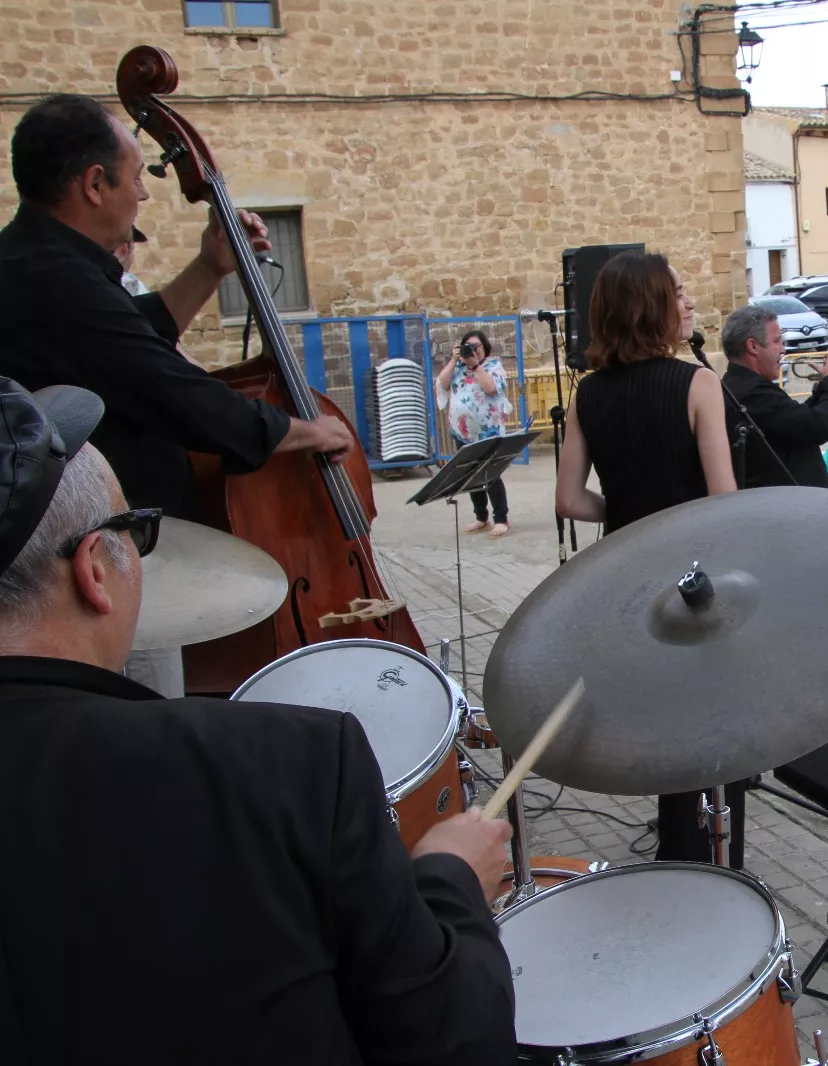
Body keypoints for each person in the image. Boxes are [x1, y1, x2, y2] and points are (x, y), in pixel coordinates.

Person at [0, 379, 515, 1064]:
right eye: (136, 531)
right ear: (95, 570)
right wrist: (449, 883)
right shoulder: (286, 766)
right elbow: (452, 1041)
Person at [0, 94, 356, 697]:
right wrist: (306, 431)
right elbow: (175, 393)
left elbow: (133, 337)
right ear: (93, 183)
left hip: (68, 564)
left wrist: (210, 267)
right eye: (136, 177)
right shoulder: (57, 282)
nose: (142, 194)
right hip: (80, 580)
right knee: (137, 719)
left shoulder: (41, 265)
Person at [555, 251, 737, 864]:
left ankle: (677, 838)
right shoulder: (698, 383)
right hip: (689, 571)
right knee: (700, 704)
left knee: (659, 704)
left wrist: (624, 507)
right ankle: (697, 840)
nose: (685, 302)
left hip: (625, 567)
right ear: (650, 306)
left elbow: (568, 499)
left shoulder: (587, 393)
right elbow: (723, 501)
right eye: (675, 292)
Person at [720, 303, 828, 489]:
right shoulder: (751, 391)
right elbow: (817, 427)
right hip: (788, 506)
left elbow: (795, 421)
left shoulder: (746, 385)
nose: (783, 349)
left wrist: (823, 388)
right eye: (777, 341)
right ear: (753, 346)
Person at [435, 329, 514, 537]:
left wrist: (476, 366)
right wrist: (454, 359)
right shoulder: (458, 367)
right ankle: (481, 517)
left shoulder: (492, 366)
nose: (472, 350)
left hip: (488, 432)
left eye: (476, 347)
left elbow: (490, 389)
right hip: (463, 433)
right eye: (468, 347)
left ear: (484, 347)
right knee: (471, 476)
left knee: (491, 475)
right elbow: (442, 383)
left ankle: (501, 518)